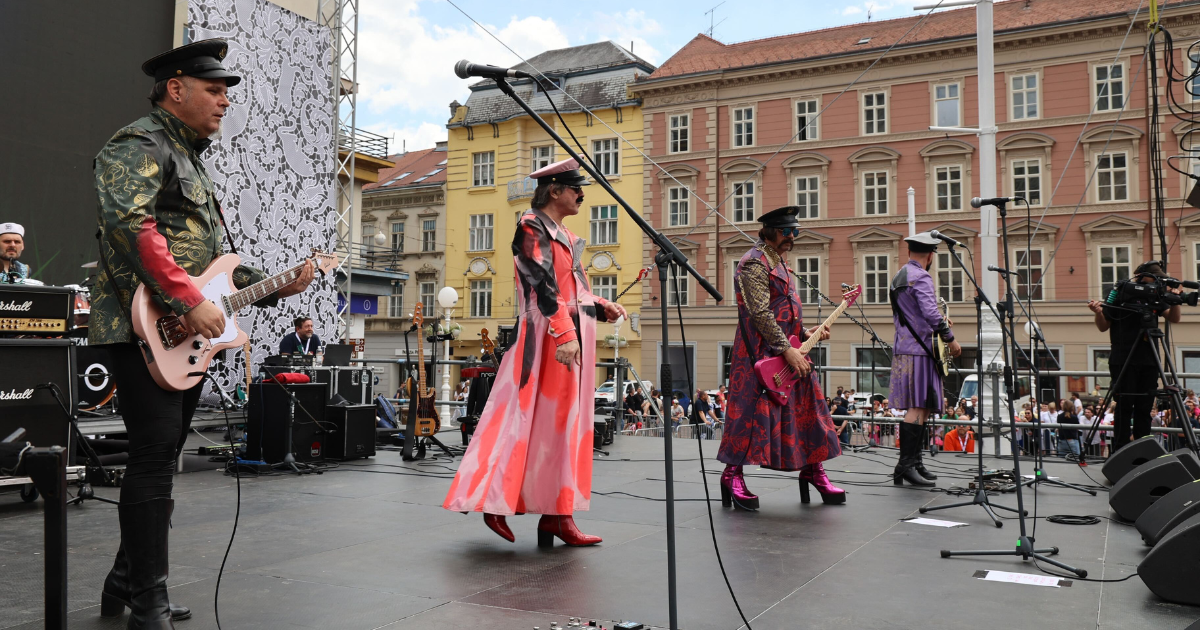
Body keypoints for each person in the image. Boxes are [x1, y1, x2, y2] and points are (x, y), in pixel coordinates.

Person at [90, 39, 317, 629]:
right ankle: (148, 600)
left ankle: (129, 580)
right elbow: (127, 225)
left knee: (162, 458)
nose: (224, 102)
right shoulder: (138, 143)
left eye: (225, 93)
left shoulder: (191, 157)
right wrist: (186, 300)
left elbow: (217, 262)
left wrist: (276, 284)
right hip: (145, 326)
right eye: (214, 89)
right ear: (176, 88)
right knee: (152, 457)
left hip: (182, 331)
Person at [443, 158, 626, 547]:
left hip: (563, 336)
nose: (581, 194)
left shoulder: (566, 236)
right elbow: (542, 286)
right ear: (555, 190)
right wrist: (564, 333)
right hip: (544, 339)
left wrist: (599, 304)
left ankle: (558, 515)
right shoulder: (531, 226)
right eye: (575, 188)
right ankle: (495, 499)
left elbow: (569, 290)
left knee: (562, 428)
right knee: (518, 420)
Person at [715, 205, 844, 509]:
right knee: (749, 416)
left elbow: (783, 312)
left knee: (809, 410)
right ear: (771, 232)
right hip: (761, 355)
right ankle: (732, 475)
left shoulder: (780, 262)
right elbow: (759, 313)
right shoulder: (753, 264)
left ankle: (814, 470)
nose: (793, 237)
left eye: (796, 231)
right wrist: (786, 349)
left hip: (790, 350)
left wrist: (807, 331)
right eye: (788, 232)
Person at [888, 232, 962, 486]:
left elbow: (915, 312)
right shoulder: (921, 276)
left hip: (906, 346)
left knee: (925, 406)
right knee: (919, 406)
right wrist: (950, 338)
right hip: (920, 350)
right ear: (930, 256)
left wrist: (938, 321)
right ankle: (905, 465)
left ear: (910, 253)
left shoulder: (900, 275)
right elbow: (930, 312)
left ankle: (914, 462)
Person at [1087, 260, 1183, 452]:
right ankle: (1120, 451)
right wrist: (1098, 312)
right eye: (1153, 278)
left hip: (1149, 359)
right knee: (1124, 407)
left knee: (1144, 408)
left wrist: (1175, 301)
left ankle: (1143, 449)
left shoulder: (1155, 295)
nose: (1156, 283)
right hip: (1123, 358)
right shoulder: (1120, 293)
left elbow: (1174, 318)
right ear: (1140, 276)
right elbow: (1103, 325)